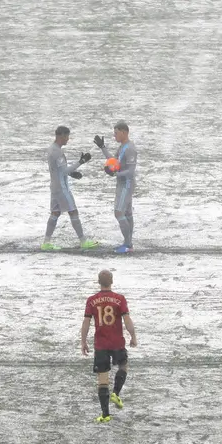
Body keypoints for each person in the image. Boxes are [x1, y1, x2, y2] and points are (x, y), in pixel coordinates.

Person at [80, 270, 137, 423]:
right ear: (112, 281)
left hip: (101, 344)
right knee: (123, 366)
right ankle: (116, 393)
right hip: (117, 342)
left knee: (102, 380)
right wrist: (133, 336)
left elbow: (86, 323)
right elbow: (127, 320)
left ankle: (105, 415)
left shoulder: (91, 300)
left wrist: (83, 341)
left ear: (98, 282)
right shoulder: (120, 299)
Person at [43, 126, 98, 251]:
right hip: (62, 189)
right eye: (67, 136)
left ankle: (46, 242)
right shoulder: (58, 152)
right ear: (61, 136)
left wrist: (71, 174)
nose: (68, 139)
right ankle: (83, 241)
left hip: (54, 187)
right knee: (73, 211)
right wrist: (81, 161)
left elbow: (59, 170)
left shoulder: (51, 149)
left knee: (55, 213)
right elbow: (64, 171)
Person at [95, 121, 137, 254]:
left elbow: (130, 171)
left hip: (126, 185)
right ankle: (128, 244)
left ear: (124, 132)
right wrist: (102, 147)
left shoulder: (130, 148)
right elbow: (114, 161)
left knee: (119, 212)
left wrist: (115, 173)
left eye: (116, 133)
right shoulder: (122, 147)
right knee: (127, 213)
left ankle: (128, 244)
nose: (114, 136)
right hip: (122, 184)